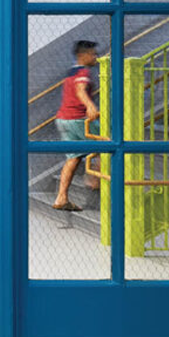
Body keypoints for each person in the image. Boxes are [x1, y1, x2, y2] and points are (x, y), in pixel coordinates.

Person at [52, 40, 100, 211]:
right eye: (93, 54)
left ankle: (61, 197)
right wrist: (90, 106)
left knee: (73, 157)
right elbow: (80, 89)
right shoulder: (83, 72)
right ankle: (93, 179)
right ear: (82, 55)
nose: (96, 56)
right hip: (78, 119)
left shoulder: (70, 72)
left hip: (63, 119)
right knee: (109, 143)